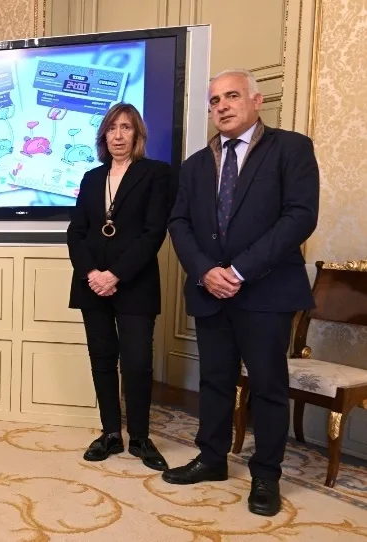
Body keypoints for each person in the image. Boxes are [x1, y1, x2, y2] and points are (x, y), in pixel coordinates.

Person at [164, 68, 319, 516]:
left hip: (267, 291)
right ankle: (211, 458)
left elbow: (299, 216)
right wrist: (206, 271)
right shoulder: (195, 165)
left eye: (231, 96)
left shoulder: (290, 148)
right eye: (214, 100)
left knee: (268, 387)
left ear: (256, 100)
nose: (222, 106)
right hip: (210, 291)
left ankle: (266, 474)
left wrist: (238, 270)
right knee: (214, 381)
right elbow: (179, 223)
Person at [66, 103, 174, 472]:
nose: (118, 135)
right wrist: (92, 274)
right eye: (111, 128)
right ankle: (111, 433)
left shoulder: (155, 174)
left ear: (137, 134)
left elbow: (153, 233)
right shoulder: (91, 177)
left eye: (125, 127)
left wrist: (115, 275)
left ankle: (140, 437)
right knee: (102, 359)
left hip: (135, 284)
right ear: (103, 136)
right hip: (91, 285)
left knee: (137, 362)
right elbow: (76, 232)